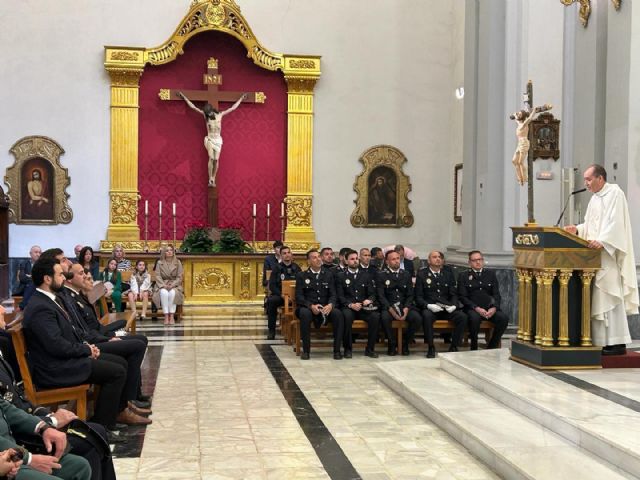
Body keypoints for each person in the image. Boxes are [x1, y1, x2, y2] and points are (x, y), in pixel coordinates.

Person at [21, 257, 139, 439]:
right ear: (47, 279)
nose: (64, 277)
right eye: (60, 274)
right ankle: (101, 428)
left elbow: (68, 334)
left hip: (62, 360)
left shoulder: (49, 300)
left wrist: (87, 347)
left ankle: (113, 415)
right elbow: (56, 345)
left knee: (119, 362)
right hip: (55, 369)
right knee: (116, 371)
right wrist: (86, 350)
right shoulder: (40, 307)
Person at [0, 350, 117, 479]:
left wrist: (44, 425)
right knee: (88, 443)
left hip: (13, 444)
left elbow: (10, 404)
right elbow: (56, 347)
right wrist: (28, 458)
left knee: (81, 463)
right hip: (15, 444)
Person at [59, 264, 151, 425]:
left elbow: (85, 328)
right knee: (136, 346)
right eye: (82, 274)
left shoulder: (72, 296)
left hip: (92, 339)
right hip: (89, 344)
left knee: (138, 342)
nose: (86, 277)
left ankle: (126, 402)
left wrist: (106, 337)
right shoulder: (66, 298)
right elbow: (81, 331)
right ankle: (126, 403)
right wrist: (106, 339)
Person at [564, 164, 639, 355]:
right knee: (599, 299)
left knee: (609, 296)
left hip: (607, 256)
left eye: (589, 179)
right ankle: (602, 341)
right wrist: (578, 229)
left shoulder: (615, 194)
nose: (586, 183)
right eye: (585, 180)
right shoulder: (595, 199)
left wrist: (603, 241)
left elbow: (616, 224)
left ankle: (617, 343)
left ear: (600, 178)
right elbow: (591, 225)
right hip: (593, 258)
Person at [0, 398, 91, 480]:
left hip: (13, 454)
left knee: (80, 467)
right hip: (7, 461)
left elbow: (6, 408)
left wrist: (43, 427)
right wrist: (28, 459)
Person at [177, 91, 248, 187]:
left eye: (209, 113)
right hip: (210, 139)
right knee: (211, 157)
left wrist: (241, 99)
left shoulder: (220, 115)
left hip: (218, 140)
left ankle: (213, 178)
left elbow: (232, 108)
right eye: (207, 113)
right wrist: (184, 97)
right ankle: (210, 178)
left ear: (212, 110)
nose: (209, 114)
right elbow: (193, 107)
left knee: (216, 159)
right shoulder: (205, 115)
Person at [415, 251, 467, 358]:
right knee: (426, 316)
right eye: (434, 257)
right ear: (429, 260)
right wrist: (428, 306)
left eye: (439, 257)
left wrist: (454, 305)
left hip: (446, 308)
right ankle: (431, 347)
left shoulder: (448, 274)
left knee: (462, 317)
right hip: (431, 308)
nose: (438, 259)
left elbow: (453, 293)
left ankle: (454, 346)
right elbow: (418, 297)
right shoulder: (422, 274)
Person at [295, 249, 344, 360]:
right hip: (308, 307)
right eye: (314, 257)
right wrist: (311, 306)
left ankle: (337, 351)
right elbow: (299, 297)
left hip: (325, 307)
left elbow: (333, 294)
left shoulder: (328, 274)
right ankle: (306, 351)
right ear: (308, 261)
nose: (318, 259)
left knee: (338, 314)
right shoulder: (302, 275)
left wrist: (330, 305)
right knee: (305, 314)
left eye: (319, 257)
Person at [458, 251, 509, 350]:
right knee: (474, 318)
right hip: (472, 308)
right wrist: (476, 308)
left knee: (503, 318)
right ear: (469, 262)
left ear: (483, 260)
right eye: (474, 260)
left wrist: (494, 308)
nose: (478, 262)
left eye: (480, 259)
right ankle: (474, 346)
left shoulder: (490, 274)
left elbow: (496, 294)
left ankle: (492, 345)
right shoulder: (463, 275)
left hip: (489, 308)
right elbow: (463, 297)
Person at [336, 250, 380, 358]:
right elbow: (340, 296)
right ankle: (348, 349)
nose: (355, 261)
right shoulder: (340, 276)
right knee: (346, 316)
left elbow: (372, 294)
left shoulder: (366, 275)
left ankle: (370, 349)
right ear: (346, 261)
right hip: (349, 307)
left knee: (375, 317)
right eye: (352, 259)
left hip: (363, 307)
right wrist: (350, 305)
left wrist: (369, 300)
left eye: (356, 258)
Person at [377, 250, 420, 356]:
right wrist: (391, 310)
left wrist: (406, 308)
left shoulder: (406, 274)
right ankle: (392, 344)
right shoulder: (381, 275)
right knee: (384, 318)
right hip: (389, 306)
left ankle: (405, 343)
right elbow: (381, 296)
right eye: (393, 259)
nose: (396, 261)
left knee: (417, 318)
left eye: (398, 258)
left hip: (403, 305)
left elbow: (410, 294)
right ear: (387, 262)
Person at [509, 104, 551, 185]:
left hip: (524, 143)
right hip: (520, 143)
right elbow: (517, 120)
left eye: (519, 114)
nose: (518, 115)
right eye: (518, 114)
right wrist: (515, 115)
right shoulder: (519, 123)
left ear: (522, 117)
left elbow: (530, 118)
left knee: (520, 162)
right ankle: (519, 178)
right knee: (514, 161)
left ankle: (524, 179)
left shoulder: (524, 124)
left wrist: (534, 111)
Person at [265, 246, 300, 340]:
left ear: (291, 254)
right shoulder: (276, 268)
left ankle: (300, 330)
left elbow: (301, 283)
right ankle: (271, 330)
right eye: (284, 253)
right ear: (280, 255)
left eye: (288, 252)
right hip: (281, 296)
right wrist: (281, 294)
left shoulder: (296, 268)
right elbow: (272, 285)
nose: (287, 255)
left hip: (294, 296)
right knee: (271, 301)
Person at [152, 245, 184, 325]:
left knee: (173, 293)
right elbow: (158, 276)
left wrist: (173, 285)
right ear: (164, 253)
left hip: (174, 284)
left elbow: (179, 277)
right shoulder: (159, 262)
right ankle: (166, 315)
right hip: (162, 284)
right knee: (164, 293)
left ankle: (172, 315)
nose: (169, 252)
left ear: (173, 252)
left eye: (171, 250)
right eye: (167, 250)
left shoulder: (178, 262)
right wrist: (163, 285)